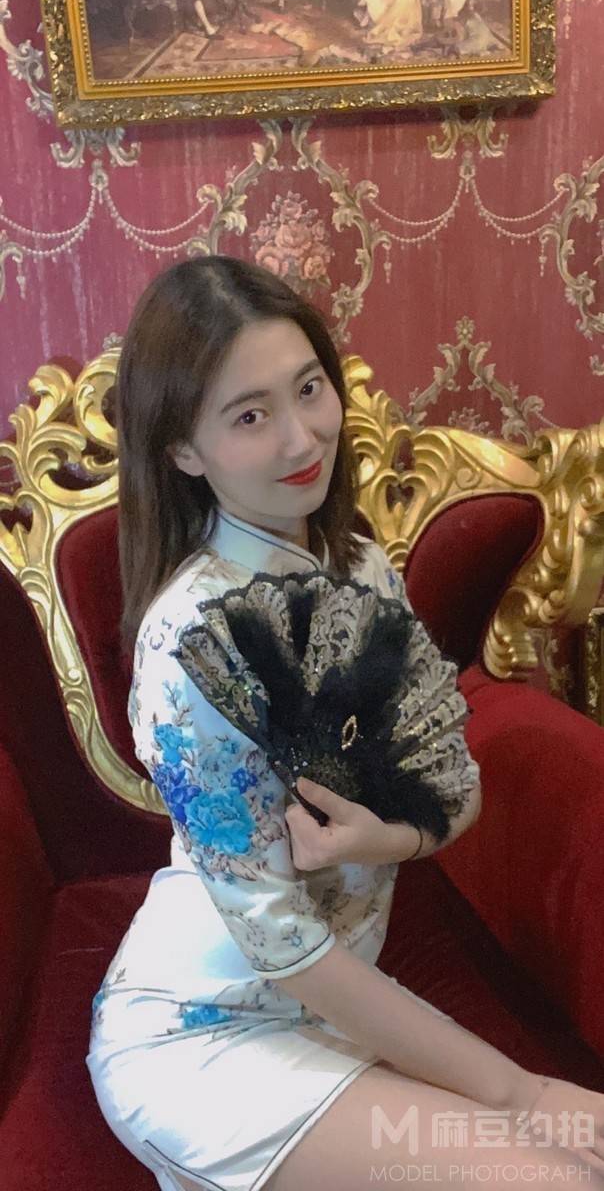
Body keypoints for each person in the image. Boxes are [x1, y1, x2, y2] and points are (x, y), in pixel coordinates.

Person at [87, 255, 604, 1191]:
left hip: (335, 1003)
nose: (303, 437)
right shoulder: (189, 646)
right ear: (183, 451)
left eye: (309, 388)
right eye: (250, 416)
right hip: (206, 1033)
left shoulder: (360, 567)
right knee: (554, 1174)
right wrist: (520, 1092)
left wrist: (390, 835)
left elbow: (453, 785)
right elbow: (283, 946)